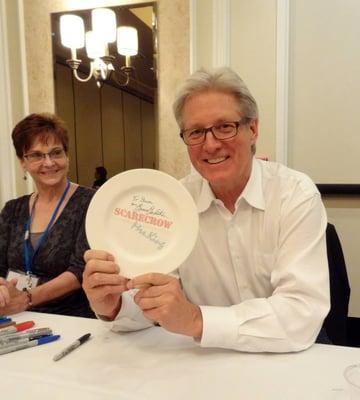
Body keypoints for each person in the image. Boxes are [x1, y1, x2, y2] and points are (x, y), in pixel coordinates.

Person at [82, 67, 330, 352]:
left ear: (253, 129)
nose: (210, 145)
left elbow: (301, 312)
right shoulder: (173, 203)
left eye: (225, 126)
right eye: (196, 132)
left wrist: (197, 320)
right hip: (204, 361)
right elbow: (154, 302)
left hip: (289, 357)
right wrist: (112, 305)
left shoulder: (294, 194)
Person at [0, 113, 95, 318]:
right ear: (22, 162)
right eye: (36, 155)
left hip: (71, 319)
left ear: (66, 155)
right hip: (14, 317)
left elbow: (80, 270)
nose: (49, 162)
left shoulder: (90, 202)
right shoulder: (12, 210)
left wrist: (26, 298)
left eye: (56, 152)